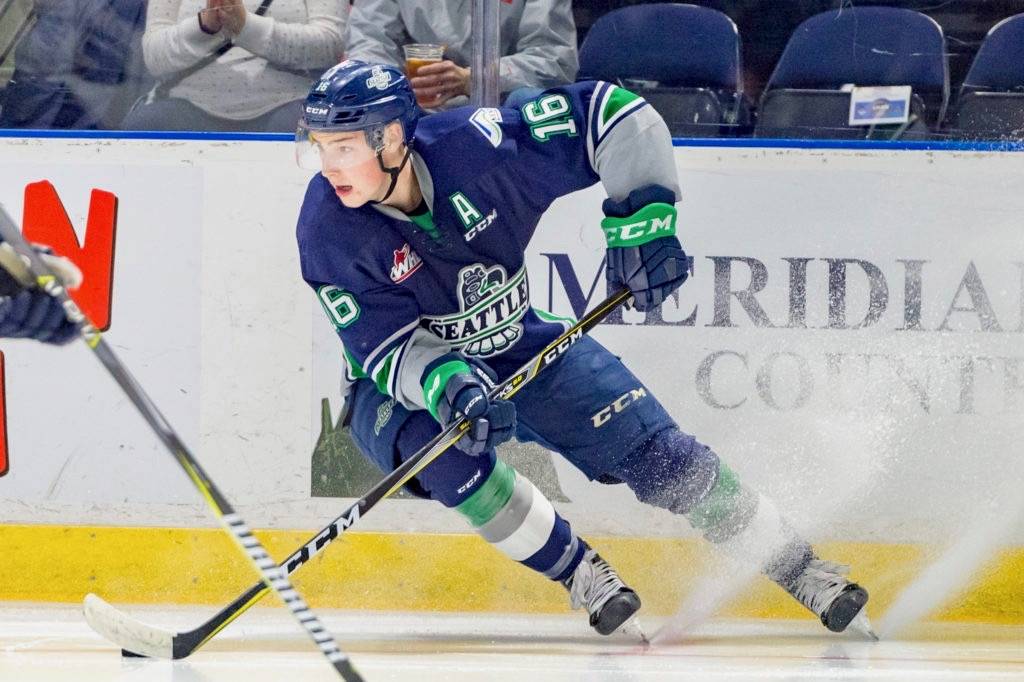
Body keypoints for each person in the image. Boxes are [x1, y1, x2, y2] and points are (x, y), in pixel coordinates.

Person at [290, 60, 874, 636]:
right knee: (446, 459)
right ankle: (583, 575)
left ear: (392, 138)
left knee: (665, 458)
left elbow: (613, 113)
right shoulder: (326, 229)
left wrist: (645, 220)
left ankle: (801, 568)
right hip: (397, 385)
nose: (329, 166)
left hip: (518, 339)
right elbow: (389, 351)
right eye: (321, 147)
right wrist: (450, 386)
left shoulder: (478, 148)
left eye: (344, 147)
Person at [122, 0, 345, 132]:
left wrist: (246, 27)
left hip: (288, 106)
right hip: (184, 104)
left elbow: (330, 45)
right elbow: (154, 57)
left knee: (313, 136)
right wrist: (204, 27)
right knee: (142, 127)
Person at [344, 0, 577, 110]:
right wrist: (386, 86)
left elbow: (554, 59)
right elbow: (369, 41)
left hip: (511, 118)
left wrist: (474, 79)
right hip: (419, 117)